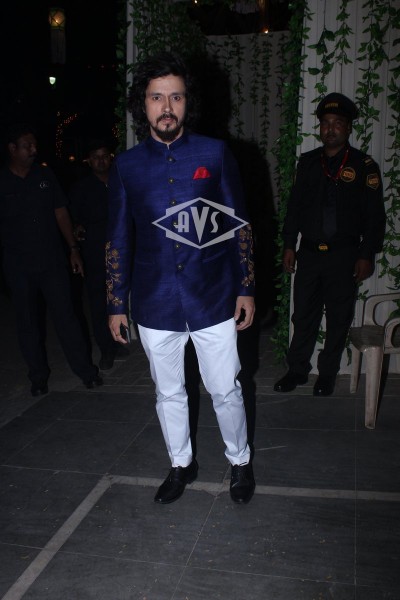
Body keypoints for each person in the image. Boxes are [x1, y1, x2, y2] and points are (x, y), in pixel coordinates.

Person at [106, 52, 256, 505]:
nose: (166, 107)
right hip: (154, 303)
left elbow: (240, 224)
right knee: (168, 393)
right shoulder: (126, 166)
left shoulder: (215, 153)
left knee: (225, 390)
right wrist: (116, 303)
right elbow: (118, 238)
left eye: (176, 97)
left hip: (213, 297)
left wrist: (246, 287)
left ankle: (240, 462)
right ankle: (180, 464)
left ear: (188, 102)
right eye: (157, 97)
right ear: (143, 104)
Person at [274, 92, 386, 397]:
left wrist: (366, 254)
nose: (330, 129)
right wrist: (289, 245)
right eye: (325, 123)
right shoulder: (308, 163)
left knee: (338, 317)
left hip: (344, 255)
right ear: (320, 128)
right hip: (309, 253)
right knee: (303, 316)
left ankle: (326, 374)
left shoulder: (364, 166)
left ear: (348, 128)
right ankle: (297, 370)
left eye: (337, 123)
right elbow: (294, 208)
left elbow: (375, 217)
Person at [0, 123, 103, 396]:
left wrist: (73, 249)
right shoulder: (3, 181)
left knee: (67, 317)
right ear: (12, 149)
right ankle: (38, 377)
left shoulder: (45, 175)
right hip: (18, 266)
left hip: (52, 261)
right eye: (27, 146)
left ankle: (86, 371)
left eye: (34, 145)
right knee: (28, 323)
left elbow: (61, 212)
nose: (34, 150)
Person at [69, 140, 129, 370]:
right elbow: (72, 218)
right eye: (96, 156)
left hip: (122, 248)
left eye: (105, 155)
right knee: (97, 301)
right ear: (89, 161)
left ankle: (120, 340)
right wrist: (77, 232)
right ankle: (106, 348)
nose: (101, 160)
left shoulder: (120, 181)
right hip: (95, 251)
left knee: (120, 296)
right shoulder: (81, 188)